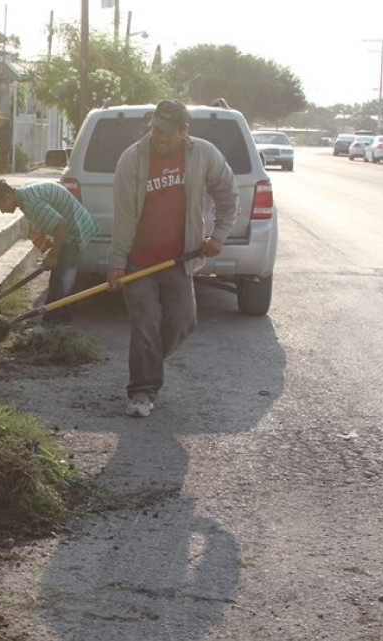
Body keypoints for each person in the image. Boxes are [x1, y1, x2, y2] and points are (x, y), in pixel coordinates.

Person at [107, 99, 238, 418]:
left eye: (167, 133)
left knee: (183, 322)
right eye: (156, 130)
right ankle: (141, 391)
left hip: (180, 260)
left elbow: (227, 193)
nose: (160, 138)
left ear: (184, 131)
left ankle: (147, 365)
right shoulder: (132, 159)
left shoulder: (203, 154)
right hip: (140, 261)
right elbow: (124, 217)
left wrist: (219, 235)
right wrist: (117, 261)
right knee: (145, 324)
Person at [0, 179, 101, 324]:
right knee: (61, 279)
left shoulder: (30, 203)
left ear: (7, 197)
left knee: (61, 281)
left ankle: (53, 324)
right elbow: (54, 220)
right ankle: (62, 321)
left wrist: (53, 255)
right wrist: (49, 246)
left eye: (0, 206)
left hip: (75, 231)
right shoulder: (24, 196)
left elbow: (61, 225)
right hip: (72, 227)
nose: (1, 211)